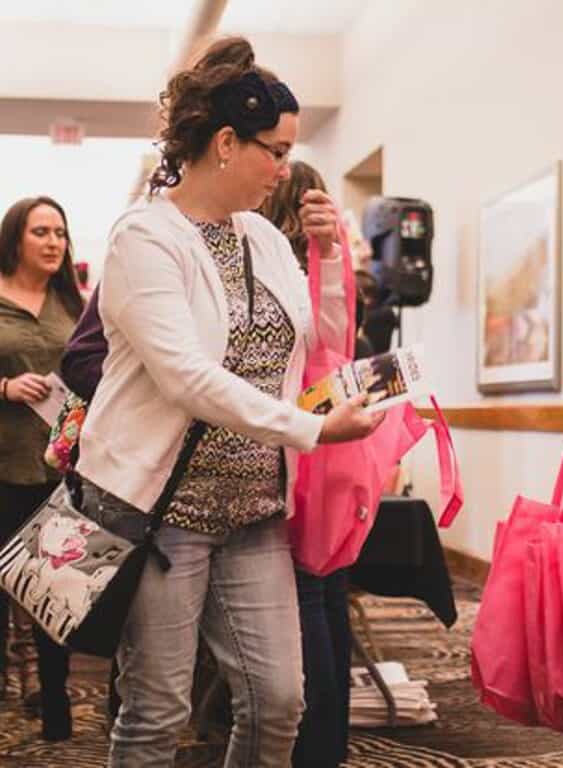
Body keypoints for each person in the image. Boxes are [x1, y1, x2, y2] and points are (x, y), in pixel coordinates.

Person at [75, 36, 383, 768]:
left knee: (280, 703)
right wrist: (311, 429)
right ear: (224, 143)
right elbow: (185, 375)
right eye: (274, 152)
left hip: (252, 512)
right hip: (163, 515)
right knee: (156, 709)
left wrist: (330, 261)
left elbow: (321, 344)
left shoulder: (264, 241)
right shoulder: (144, 237)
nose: (284, 168)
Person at [262, 160, 355, 768]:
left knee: (309, 594)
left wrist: (329, 250)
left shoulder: (302, 272)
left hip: (295, 449)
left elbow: (333, 341)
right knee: (320, 593)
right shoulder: (317, 266)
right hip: (322, 452)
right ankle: (323, 746)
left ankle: (314, 747)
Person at [0, 195, 84, 740]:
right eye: (41, 232)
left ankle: (56, 707)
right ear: (15, 240)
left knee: (55, 595)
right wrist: (4, 387)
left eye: (60, 232)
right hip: (2, 468)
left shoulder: (74, 304)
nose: (53, 242)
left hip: (61, 472)